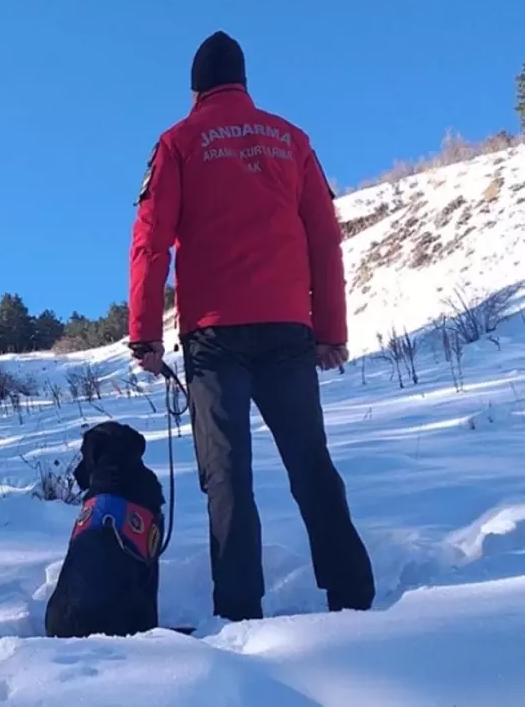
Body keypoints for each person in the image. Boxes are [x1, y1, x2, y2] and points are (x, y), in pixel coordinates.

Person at [126, 31, 375, 622]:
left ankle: (239, 611)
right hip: (288, 328)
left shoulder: (179, 142)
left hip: (214, 336)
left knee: (228, 473)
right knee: (310, 462)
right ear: (243, 82)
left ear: (195, 89)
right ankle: (353, 597)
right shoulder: (292, 141)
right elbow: (324, 239)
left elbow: (150, 242)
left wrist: (145, 332)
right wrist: (330, 330)